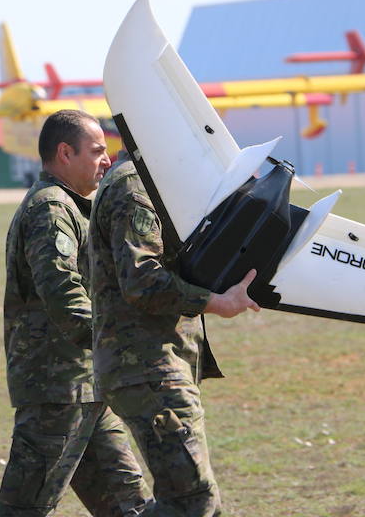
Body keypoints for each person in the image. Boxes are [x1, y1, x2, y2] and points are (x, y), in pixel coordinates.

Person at [0, 111, 151, 516]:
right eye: (97, 151)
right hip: (58, 390)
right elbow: (63, 292)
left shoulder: (72, 206)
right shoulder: (51, 209)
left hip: (86, 386)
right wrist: (115, 344)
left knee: (128, 505)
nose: (107, 160)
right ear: (65, 153)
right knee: (24, 508)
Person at [88, 151, 260, 516]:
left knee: (197, 502)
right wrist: (215, 302)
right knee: (191, 502)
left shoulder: (149, 177)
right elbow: (141, 280)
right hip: (147, 367)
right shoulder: (134, 183)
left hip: (154, 365)